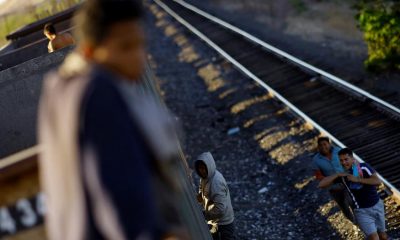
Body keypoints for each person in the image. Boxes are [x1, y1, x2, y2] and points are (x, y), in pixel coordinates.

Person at [38, 0, 184, 239]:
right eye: (125, 47)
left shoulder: (60, 90)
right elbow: (120, 202)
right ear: (88, 50)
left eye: (140, 45)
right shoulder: (98, 92)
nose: (138, 57)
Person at [319, 148, 388, 240]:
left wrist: (357, 179)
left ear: (352, 158)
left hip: (376, 205)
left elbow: (377, 181)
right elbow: (321, 184)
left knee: (383, 236)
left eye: (346, 159)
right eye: (341, 160)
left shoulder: (363, 167)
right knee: (374, 238)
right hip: (361, 211)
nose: (343, 162)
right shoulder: (343, 175)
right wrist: (337, 175)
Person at [312, 137, 355, 222]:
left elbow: (349, 162)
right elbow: (318, 176)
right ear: (318, 147)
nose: (323, 147)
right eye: (320, 145)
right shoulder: (316, 160)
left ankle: (359, 220)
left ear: (329, 144)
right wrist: (328, 179)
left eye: (325, 144)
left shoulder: (338, 151)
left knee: (351, 201)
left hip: (346, 180)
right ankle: (352, 221)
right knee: (342, 205)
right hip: (333, 185)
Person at [194, 152, 235, 240]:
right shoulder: (205, 178)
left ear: (209, 166)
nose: (202, 171)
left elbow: (220, 209)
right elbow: (201, 192)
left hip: (223, 223)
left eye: (204, 168)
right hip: (214, 219)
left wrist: (205, 215)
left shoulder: (216, 183)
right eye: (200, 168)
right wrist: (196, 199)